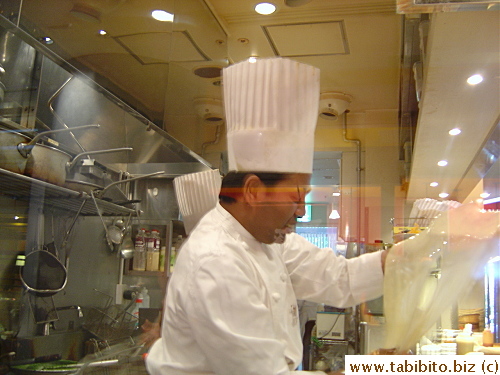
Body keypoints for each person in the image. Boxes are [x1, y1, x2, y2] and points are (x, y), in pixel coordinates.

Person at [146, 57, 387, 374]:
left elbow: (341, 280)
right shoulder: (216, 261)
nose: (301, 210)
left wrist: (418, 253)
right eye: (296, 196)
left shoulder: (272, 240)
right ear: (254, 191)